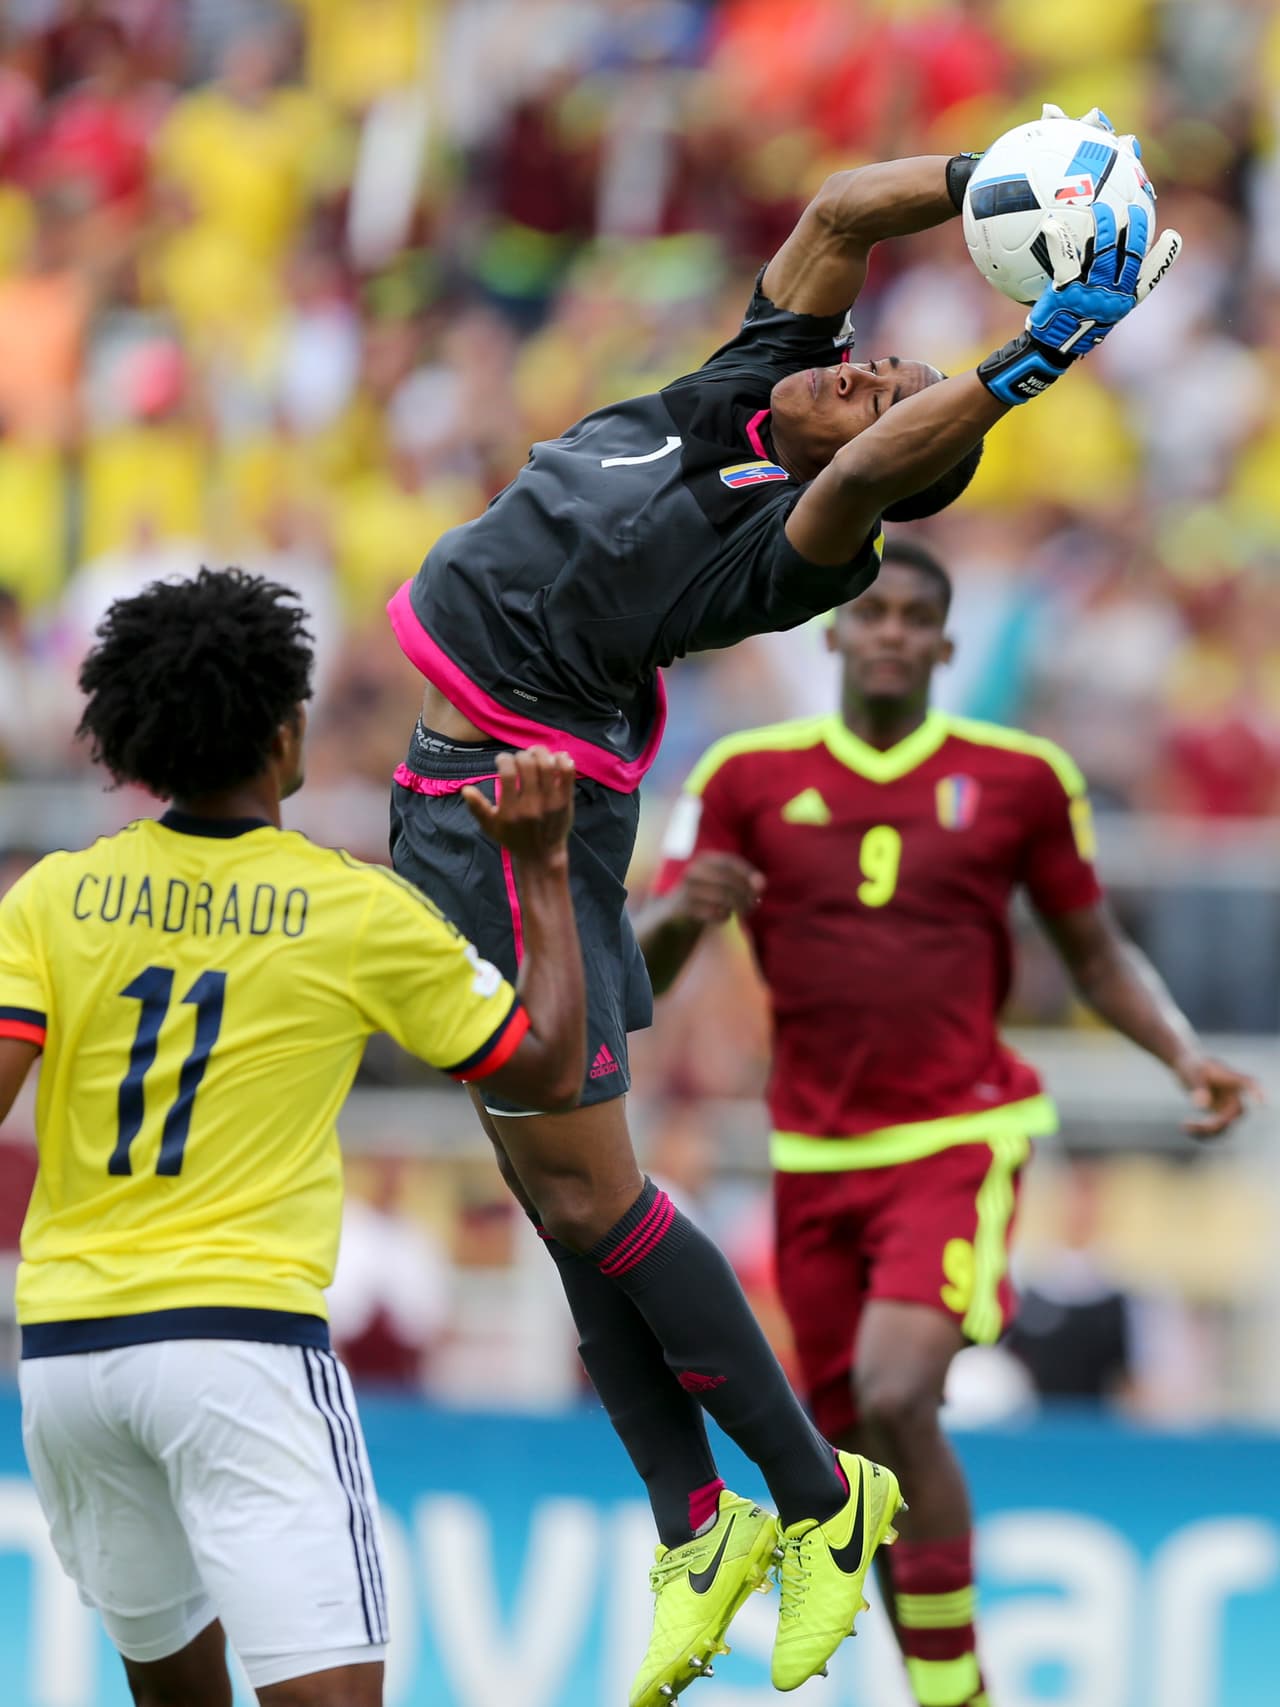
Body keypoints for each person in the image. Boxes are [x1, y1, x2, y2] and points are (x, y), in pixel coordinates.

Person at [385, 109, 1181, 1701]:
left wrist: (1036, 357)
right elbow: (837, 213)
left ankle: (823, 1499)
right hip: (459, 796)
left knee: (596, 1197)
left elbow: (890, 459)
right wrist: (1002, 177)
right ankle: (698, 1525)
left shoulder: (787, 546)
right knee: (560, 1216)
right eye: (870, 360)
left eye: (885, 387)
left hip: (516, 817)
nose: (865, 371)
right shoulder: (738, 389)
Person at [637, 539, 1257, 1707]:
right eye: (871, 614)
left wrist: (1181, 1054)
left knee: (892, 1390)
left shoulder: (1017, 779)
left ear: (945, 644)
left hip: (955, 1138)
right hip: (809, 1155)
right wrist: (682, 918)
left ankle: (953, 1687)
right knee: (854, 1459)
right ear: (830, 632)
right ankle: (942, 1686)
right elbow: (648, 967)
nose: (889, 633)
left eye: (915, 617)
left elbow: (1093, 950)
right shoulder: (742, 778)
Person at [0, 568, 586, 1707]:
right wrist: (544, 869)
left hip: (69, 1356)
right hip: (238, 1345)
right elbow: (549, 1068)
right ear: (283, 736)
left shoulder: (55, 897)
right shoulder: (347, 906)